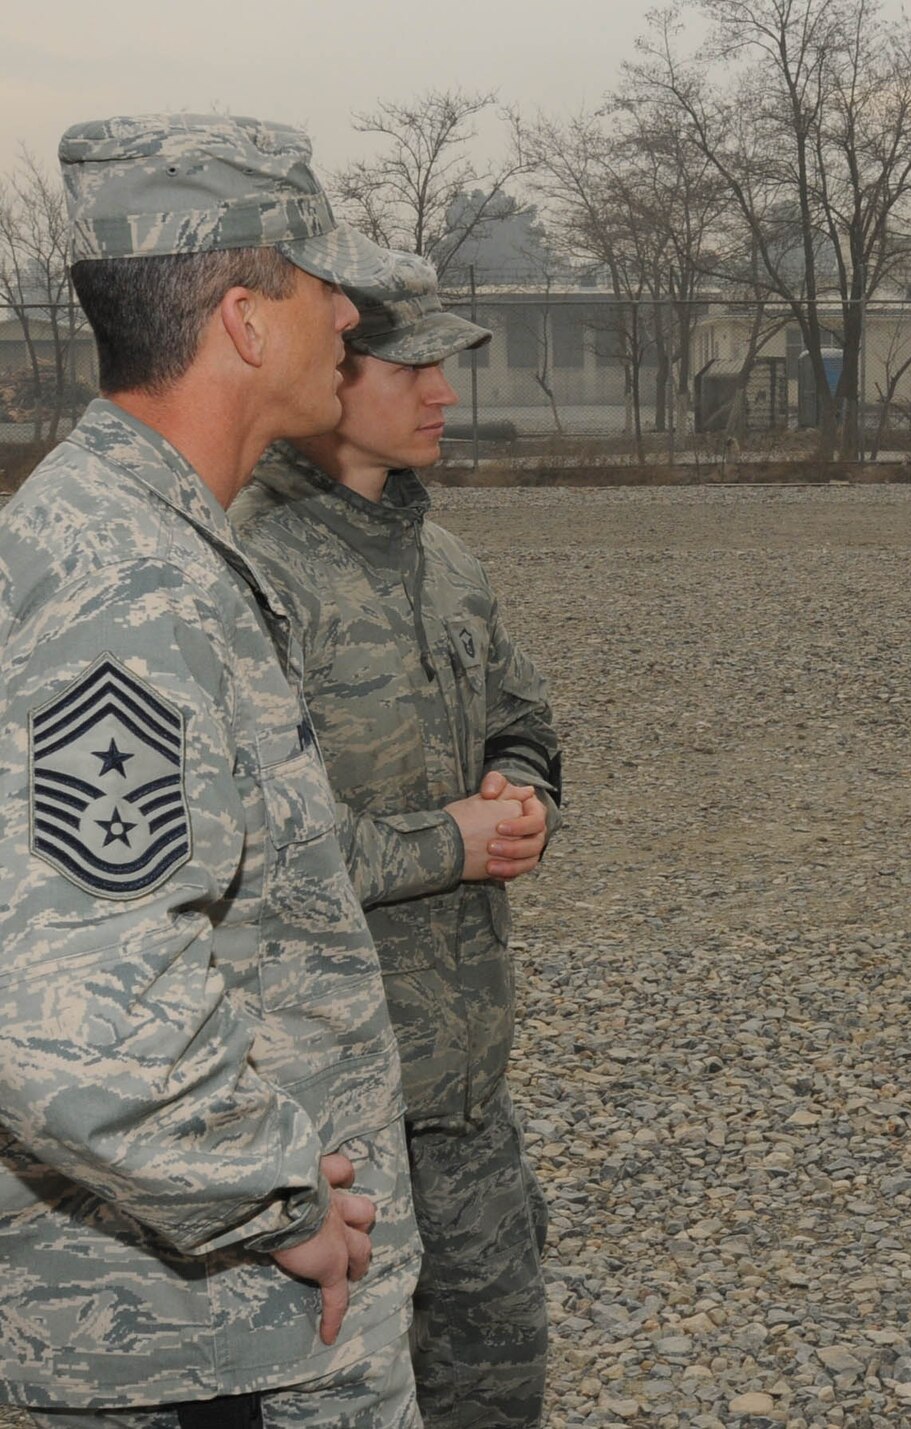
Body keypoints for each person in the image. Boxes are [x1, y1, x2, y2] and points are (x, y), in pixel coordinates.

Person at [0, 114, 421, 1424]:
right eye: (320, 285)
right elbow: (74, 1023)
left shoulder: (141, 540)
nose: (347, 315)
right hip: (213, 1351)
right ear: (244, 320)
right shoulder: (128, 592)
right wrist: (272, 1195)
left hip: (224, 1338)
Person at [230, 251, 561, 1429]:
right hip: (326, 1117)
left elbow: (525, 716)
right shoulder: (250, 571)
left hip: (464, 1098)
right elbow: (251, 850)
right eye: (410, 367)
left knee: (494, 1379)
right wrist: (447, 845)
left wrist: (523, 792)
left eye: (444, 366)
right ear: (329, 374)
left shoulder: (445, 561)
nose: (442, 392)